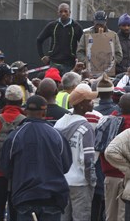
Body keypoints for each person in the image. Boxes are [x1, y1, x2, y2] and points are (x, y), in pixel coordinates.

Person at [0, 95, 72, 221]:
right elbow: (66, 165)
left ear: (26, 111)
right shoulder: (56, 135)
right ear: (45, 112)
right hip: (52, 197)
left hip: (25, 198)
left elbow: (6, 168)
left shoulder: (16, 136)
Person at [54, 84, 98, 221]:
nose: (92, 103)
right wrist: (92, 182)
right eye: (89, 100)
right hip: (80, 183)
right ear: (81, 105)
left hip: (61, 181)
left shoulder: (59, 124)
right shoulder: (85, 128)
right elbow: (88, 160)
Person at [0, 85, 25, 221]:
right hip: (19, 175)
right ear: (21, 101)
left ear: (6, 100)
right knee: (16, 213)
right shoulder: (25, 120)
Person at [100, 93, 130, 221]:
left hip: (109, 175)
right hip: (127, 177)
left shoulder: (109, 121)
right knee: (123, 215)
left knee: (110, 214)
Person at [37, 3, 84, 75]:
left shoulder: (76, 27)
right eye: (61, 11)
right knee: (53, 83)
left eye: (65, 11)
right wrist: (42, 56)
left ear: (70, 12)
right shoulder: (52, 25)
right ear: (58, 13)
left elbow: (83, 45)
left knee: (68, 85)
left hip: (69, 64)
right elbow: (39, 40)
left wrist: (81, 59)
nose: (63, 14)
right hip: (54, 63)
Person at [77, 11, 123, 77]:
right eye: (97, 24)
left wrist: (109, 63)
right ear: (94, 22)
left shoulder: (113, 35)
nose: (99, 27)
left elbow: (119, 54)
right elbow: (80, 52)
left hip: (107, 72)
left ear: (106, 22)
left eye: (101, 24)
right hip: (89, 71)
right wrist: (87, 62)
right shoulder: (86, 34)